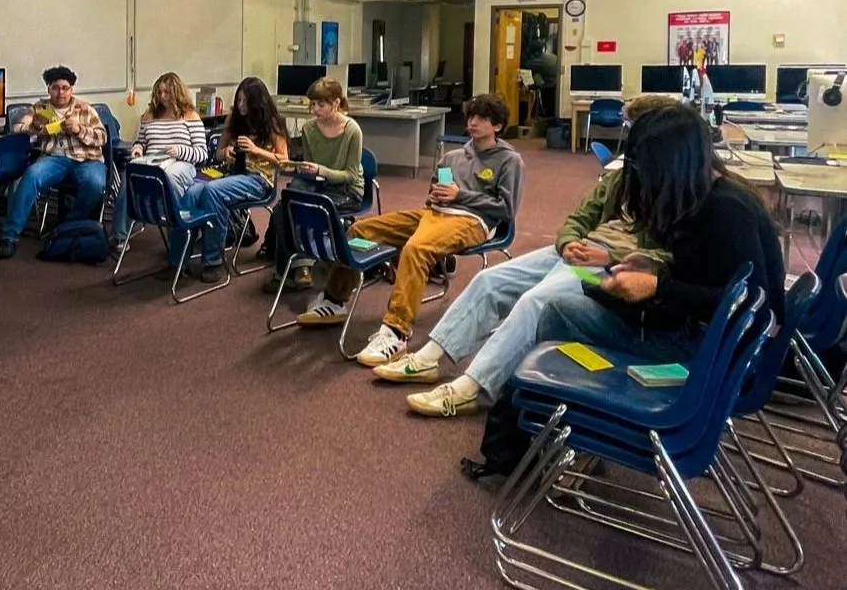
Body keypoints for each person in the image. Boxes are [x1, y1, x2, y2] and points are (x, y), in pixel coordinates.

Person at [375, 94, 681, 416]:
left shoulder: (679, 185)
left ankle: (471, 387)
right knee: (490, 280)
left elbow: (666, 252)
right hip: (575, 251)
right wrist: (567, 243)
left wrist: (607, 257)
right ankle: (429, 358)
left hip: (607, 269)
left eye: (632, 126)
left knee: (537, 300)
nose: (627, 133)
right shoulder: (623, 175)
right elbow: (580, 217)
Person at [535, 104, 785, 368]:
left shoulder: (727, 210)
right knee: (586, 298)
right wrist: (657, 269)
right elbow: (711, 275)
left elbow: (750, 305)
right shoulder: (709, 195)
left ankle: (551, 399)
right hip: (710, 337)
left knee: (560, 314)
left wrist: (658, 287)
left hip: (716, 355)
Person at [298, 94, 523, 367]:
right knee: (360, 230)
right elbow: (435, 191)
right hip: (435, 214)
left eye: (482, 118)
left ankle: (396, 332)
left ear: (497, 126)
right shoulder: (453, 157)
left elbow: (506, 209)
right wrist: (435, 196)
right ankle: (334, 300)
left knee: (417, 249)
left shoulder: (509, 161)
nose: (473, 122)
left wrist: (459, 196)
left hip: (472, 222)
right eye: (471, 117)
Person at [169, 77, 287, 284]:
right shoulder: (234, 118)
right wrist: (228, 152)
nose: (241, 106)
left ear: (257, 103)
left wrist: (255, 150)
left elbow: (284, 161)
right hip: (233, 174)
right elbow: (219, 153)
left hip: (259, 180)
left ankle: (213, 261)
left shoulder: (272, 122)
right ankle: (178, 260)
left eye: (245, 102)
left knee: (212, 191)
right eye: (239, 100)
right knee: (190, 193)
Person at [0, 66, 108, 259]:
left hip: (87, 159)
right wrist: (35, 128)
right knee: (31, 176)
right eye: (56, 87)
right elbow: (17, 128)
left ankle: (68, 228)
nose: (60, 92)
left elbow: (102, 138)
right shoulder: (40, 108)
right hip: (55, 159)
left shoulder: (85, 109)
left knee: (96, 184)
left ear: (71, 89)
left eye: (65, 88)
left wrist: (79, 130)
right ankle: (10, 236)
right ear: (48, 89)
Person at [261, 77, 364, 291]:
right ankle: (290, 269)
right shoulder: (309, 129)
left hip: (347, 190)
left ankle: (300, 266)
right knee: (283, 209)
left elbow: (352, 176)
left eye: (321, 104)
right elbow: (311, 167)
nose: (314, 109)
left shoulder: (352, 130)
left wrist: (320, 171)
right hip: (319, 184)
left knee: (308, 209)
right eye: (312, 104)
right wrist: (299, 169)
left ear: (336, 103)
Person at [110, 72, 208, 251]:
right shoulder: (149, 115)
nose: (162, 97)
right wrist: (138, 148)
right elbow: (141, 142)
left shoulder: (190, 116)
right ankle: (119, 235)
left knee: (169, 176)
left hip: (180, 163)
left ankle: (175, 233)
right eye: (159, 92)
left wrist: (179, 150)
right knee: (130, 172)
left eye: (167, 92)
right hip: (153, 162)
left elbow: (202, 154)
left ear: (176, 92)